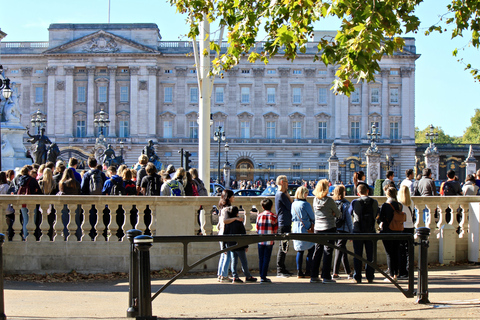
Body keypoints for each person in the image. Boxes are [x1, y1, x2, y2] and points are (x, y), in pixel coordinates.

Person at [310, 179, 341, 283]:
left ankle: (314, 275)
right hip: (329, 227)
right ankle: (326, 276)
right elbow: (338, 214)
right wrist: (332, 213)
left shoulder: (315, 200)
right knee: (328, 252)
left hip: (318, 228)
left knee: (317, 251)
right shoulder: (330, 201)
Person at [349, 183, 379, 283]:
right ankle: (370, 276)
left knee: (358, 255)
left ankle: (357, 276)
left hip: (358, 231)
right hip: (370, 231)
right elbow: (376, 214)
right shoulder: (374, 202)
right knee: (370, 255)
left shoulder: (355, 202)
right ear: (367, 191)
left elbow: (350, 213)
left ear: (358, 193)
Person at [223, 206, 257, 283]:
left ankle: (235, 276)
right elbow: (243, 234)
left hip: (231, 245)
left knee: (234, 261)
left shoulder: (228, 223)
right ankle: (247, 276)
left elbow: (225, 234)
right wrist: (246, 246)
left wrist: (224, 245)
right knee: (243, 261)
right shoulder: (239, 222)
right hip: (240, 244)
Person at [378, 187, 405, 282]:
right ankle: (396, 274)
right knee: (396, 252)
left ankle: (392, 274)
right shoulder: (399, 205)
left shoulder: (386, 205)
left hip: (388, 230)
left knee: (389, 253)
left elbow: (381, 218)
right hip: (398, 230)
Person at [216, 190, 243, 282]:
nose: (234, 198)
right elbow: (225, 220)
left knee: (223, 255)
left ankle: (220, 274)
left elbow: (220, 223)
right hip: (225, 233)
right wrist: (236, 218)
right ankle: (224, 275)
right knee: (227, 255)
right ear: (229, 197)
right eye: (232, 196)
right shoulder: (227, 209)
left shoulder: (222, 208)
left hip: (221, 232)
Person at [291, 186, 315, 278]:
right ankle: (308, 271)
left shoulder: (293, 204)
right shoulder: (306, 204)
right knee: (311, 249)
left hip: (296, 227)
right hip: (305, 227)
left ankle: (299, 271)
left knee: (300, 250)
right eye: (306, 193)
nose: (307, 195)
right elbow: (312, 216)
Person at [332, 185, 353, 279]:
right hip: (343, 229)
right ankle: (335, 273)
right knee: (340, 251)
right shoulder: (346, 204)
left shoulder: (332, 203)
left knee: (343, 250)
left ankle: (348, 272)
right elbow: (349, 220)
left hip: (334, 229)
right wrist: (351, 233)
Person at [275, 175, 293, 278]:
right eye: (286, 182)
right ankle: (279, 270)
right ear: (282, 182)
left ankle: (282, 268)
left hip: (284, 222)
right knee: (283, 247)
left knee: (284, 247)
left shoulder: (280, 194)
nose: (287, 184)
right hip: (283, 223)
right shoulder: (281, 195)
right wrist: (289, 197)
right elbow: (291, 206)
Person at [256, 198, 278, 283]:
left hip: (261, 240)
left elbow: (257, 228)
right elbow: (275, 229)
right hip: (269, 240)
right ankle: (263, 276)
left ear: (262, 207)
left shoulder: (259, 215)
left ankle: (261, 274)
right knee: (266, 258)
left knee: (261, 258)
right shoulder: (274, 216)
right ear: (272, 206)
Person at [397, 185, 415, 280]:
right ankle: (409, 271)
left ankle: (402, 271)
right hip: (410, 227)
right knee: (409, 251)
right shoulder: (411, 202)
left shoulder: (399, 204)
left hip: (402, 227)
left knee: (401, 251)